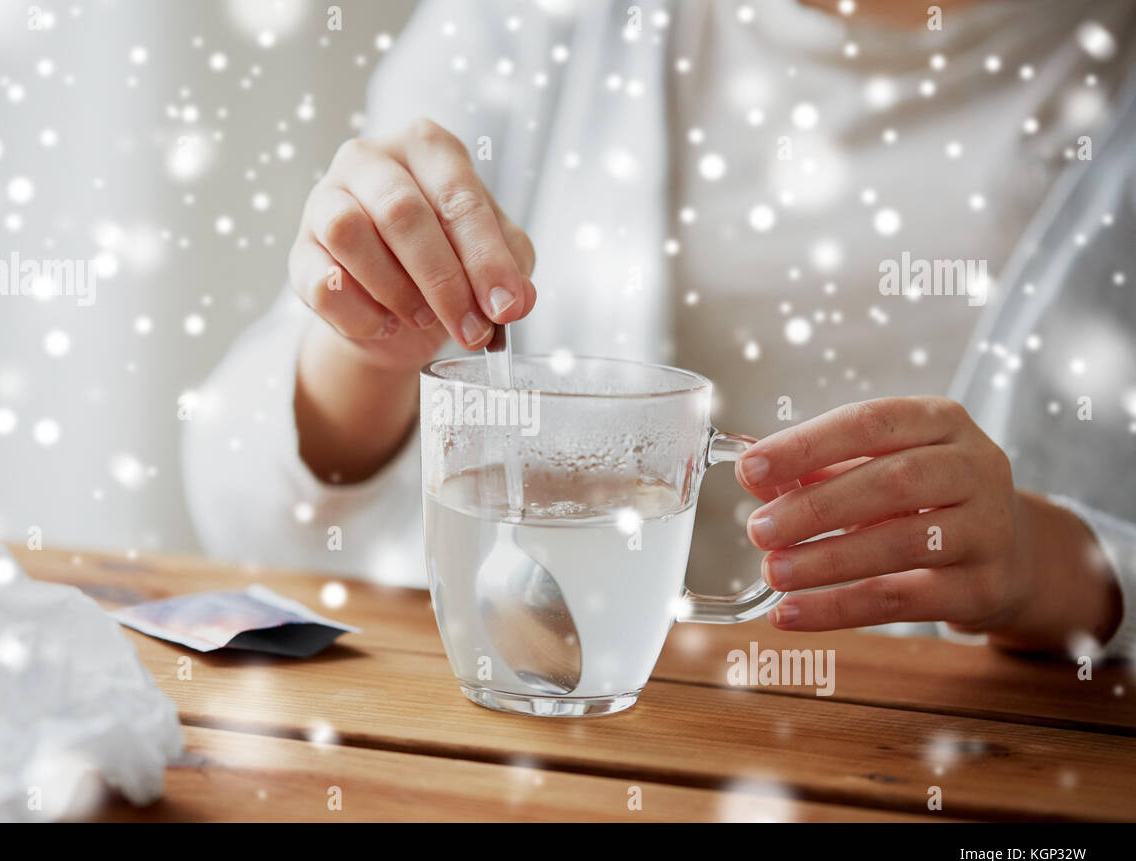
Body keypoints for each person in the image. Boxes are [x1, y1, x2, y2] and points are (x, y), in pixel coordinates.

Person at [184, 0, 1136, 659]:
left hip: (1002, 790)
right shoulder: (534, 25)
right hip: (599, 757)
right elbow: (242, 506)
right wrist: (371, 348)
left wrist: (1054, 566)